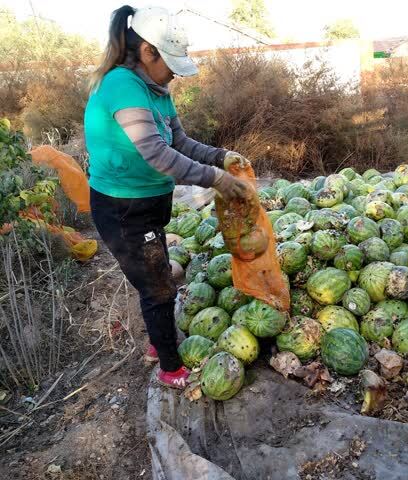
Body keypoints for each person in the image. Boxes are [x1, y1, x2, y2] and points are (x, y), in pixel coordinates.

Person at [84, 5, 251, 388]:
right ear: (148, 52)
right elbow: (156, 153)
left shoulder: (157, 90)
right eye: (170, 62)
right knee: (157, 285)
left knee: (155, 274)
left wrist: (219, 156)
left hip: (148, 204)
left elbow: (178, 141)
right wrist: (217, 179)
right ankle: (170, 368)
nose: (176, 72)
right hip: (123, 208)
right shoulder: (122, 86)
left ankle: (159, 342)